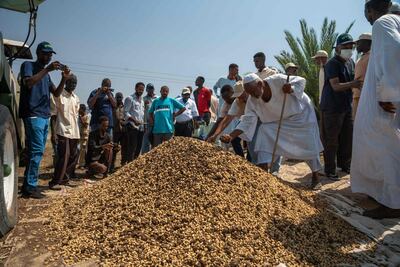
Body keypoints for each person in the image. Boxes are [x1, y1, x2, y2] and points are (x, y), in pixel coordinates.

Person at [221, 73, 324, 189]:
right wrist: (231, 136)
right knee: (264, 131)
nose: (252, 96)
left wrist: (291, 89)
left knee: (308, 142)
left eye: (253, 92)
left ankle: (316, 177)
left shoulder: (278, 79)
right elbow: (247, 120)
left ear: (260, 84)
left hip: (300, 116)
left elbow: (301, 80)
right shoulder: (252, 100)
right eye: (249, 93)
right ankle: (264, 174)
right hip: (277, 120)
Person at [351, 0, 400, 219]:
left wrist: (386, 93)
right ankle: (384, 196)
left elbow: (392, 51)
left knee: (383, 146)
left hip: (386, 101)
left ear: (370, 11)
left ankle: (393, 203)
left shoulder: (383, 22)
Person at [19, 41, 70, 198]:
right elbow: (28, 83)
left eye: (50, 54)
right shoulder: (28, 65)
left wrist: (64, 79)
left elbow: (56, 93)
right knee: (36, 151)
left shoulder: (46, 75)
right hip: (33, 114)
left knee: (37, 152)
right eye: (45, 53)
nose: (48, 56)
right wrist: (47, 69)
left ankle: (29, 184)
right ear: (38, 53)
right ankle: (30, 187)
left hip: (44, 115)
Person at [320, 33, 363, 180]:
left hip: (346, 106)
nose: (349, 49)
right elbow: (336, 86)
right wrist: (354, 84)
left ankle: (345, 165)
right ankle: (330, 170)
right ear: (338, 48)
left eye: (351, 46)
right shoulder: (332, 64)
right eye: (346, 46)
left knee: (347, 138)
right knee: (331, 140)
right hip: (332, 108)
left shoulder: (350, 62)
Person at [48, 74, 80, 189]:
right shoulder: (58, 96)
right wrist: (53, 133)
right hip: (62, 130)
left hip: (74, 132)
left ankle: (66, 179)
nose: (73, 85)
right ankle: (55, 182)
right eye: (71, 82)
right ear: (66, 82)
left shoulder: (76, 98)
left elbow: (76, 117)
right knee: (63, 156)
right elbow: (53, 115)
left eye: (75, 83)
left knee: (73, 155)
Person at [207, 84, 245, 157]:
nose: (227, 101)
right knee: (234, 140)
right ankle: (242, 159)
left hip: (249, 120)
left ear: (232, 93)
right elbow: (222, 121)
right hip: (241, 122)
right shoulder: (226, 105)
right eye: (225, 99)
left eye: (228, 98)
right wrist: (212, 136)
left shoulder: (241, 99)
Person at [124, 82, 145, 162]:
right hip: (132, 126)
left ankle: (134, 165)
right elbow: (125, 113)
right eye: (139, 89)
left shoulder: (142, 100)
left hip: (140, 128)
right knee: (132, 148)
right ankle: (129, 164)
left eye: (142, 90)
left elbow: (141, 114)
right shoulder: (130, 98)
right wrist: (134, 120)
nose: (141, 91)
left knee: (138, 148)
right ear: (135, 88)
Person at [353, 33, 372, 119]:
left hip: (367, 97)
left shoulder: (373, 57)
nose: (356, 45)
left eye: (359, 43)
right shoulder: (360, 59)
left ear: (367, 43)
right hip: (357, 95)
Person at [110, 92, 125, 171]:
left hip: (123, 130)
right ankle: (111, 166)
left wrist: (123, 121)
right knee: (114, 149)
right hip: (115, 131)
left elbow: (126, 116)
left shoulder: (124, 107)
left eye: (120, 97)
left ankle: (122, 165)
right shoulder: (113, 107)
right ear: (115, 98)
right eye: (118, 97)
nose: (119, 98)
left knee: (124, 148)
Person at [142, 83, 158, 153]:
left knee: (155, 141)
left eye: (152, 88)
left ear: (154, 89)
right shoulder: (143, 99)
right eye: (149, 88)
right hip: (148, 123)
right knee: (146, 142)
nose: (150, 90)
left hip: (157, 123)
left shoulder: (158, 98)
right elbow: (142, 112)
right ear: (146, 90)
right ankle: (145, 157)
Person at [78, 104, 90, 168]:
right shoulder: (79, 117)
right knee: (80, 150)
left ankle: (82, 164)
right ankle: (81, 163)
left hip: (85, 136)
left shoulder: (87, 116)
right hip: (80, 135)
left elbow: (85, 125)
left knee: (83, 150)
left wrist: (81, 119)